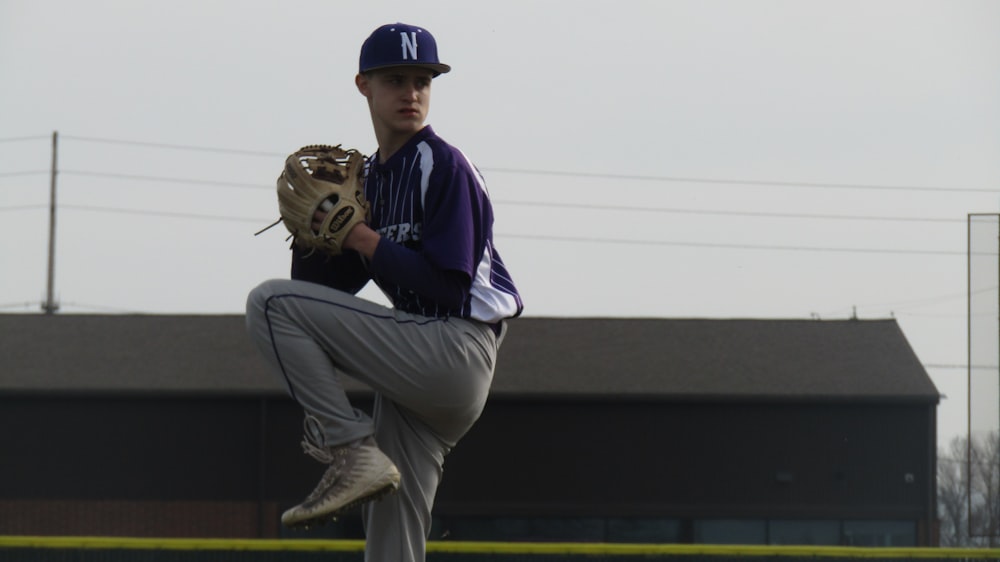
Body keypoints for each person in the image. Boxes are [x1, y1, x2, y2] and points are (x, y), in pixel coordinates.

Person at [245, 22, 523, 561]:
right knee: (390, 535)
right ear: (363, 85)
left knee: (268, 304)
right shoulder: (369, 179)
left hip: (457, 349)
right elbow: (321, 295)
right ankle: (361, 458)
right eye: (396, 79)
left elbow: (448, 286)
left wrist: (362, 238)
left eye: (423, 80)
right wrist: (312, 236)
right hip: (417, 371)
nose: (411, 92)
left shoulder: (442, 165)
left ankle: (349, 446)